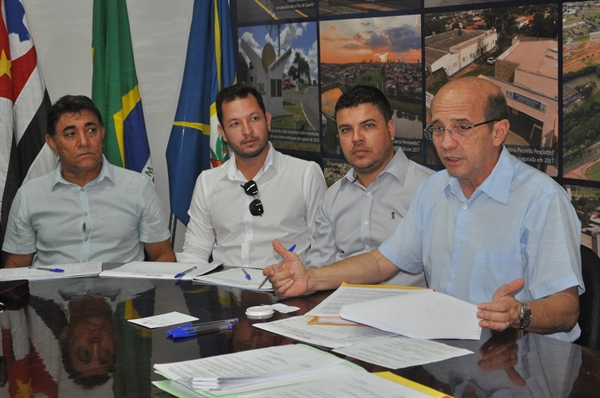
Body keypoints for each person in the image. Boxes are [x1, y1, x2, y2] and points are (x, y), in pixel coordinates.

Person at [265, 77, 583, 341]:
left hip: (522, 359)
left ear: (498, 131)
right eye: (439, 129)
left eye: (462, 128)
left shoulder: (542, 199)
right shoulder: (433, 190)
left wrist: (520, 313)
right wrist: (311, 278)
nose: (445, 143)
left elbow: (567, 309)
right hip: (445, 351)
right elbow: (381, 262)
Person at [2, 95, 174, 267]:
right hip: (51, 292)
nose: (84, 142)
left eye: (91, 130)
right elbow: (16, 265)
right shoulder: (29, 195)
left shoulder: (139, 188)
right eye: (70, 134)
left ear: (102, 134)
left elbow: (162, 254)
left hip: (125, 292)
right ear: (52, 143)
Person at [178, 84, 327, 267]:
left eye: (254, 119)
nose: (247, 131)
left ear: (268, 120)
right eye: (235, 123)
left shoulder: (305, 174)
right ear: (222, 133)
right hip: (225, 290)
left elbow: (323, 250)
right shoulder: (208, 182)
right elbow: (195, 250)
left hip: (287, 289)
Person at [306, 85, 433, 286]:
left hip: (405, 312)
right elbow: (317, 270)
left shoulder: (428, 189)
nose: (356, 138)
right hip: (340, 311)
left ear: (391, 129)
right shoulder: (333, 197)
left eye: (368, 126)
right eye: (346, 130)